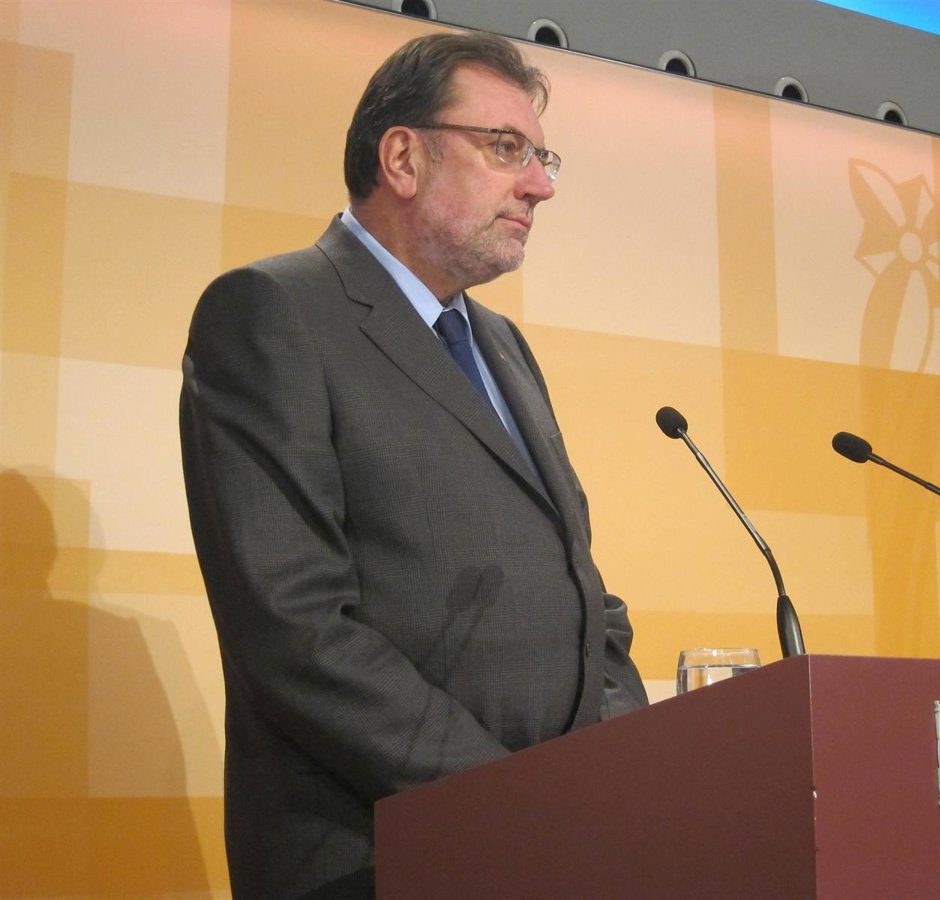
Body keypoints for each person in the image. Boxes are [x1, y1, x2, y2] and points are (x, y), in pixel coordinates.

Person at [179, 31, 648, 898]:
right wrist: (510, 800)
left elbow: (581, 589)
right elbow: (295, 628)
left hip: (549, 845)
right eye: (505, 148)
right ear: (402, 157)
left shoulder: (502, 345)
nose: (539, 185)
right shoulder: (272, 313)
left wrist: (603, 767)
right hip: (373, 855)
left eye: (542, 157)